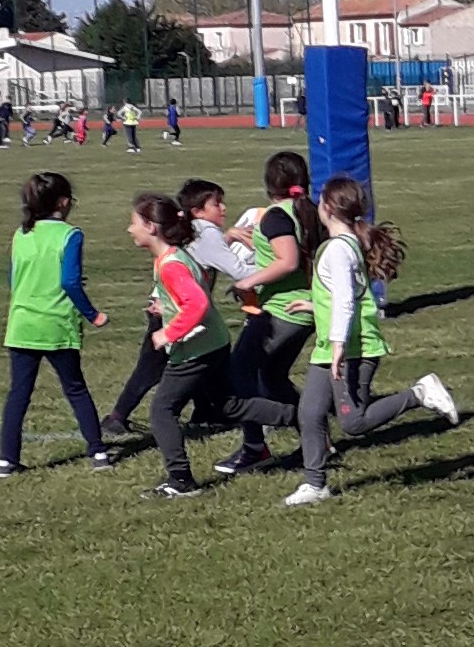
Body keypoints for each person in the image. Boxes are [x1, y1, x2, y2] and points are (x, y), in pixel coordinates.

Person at [282, 177, 459, 506]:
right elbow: (341, 293)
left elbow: (347, 300)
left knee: (353, 422)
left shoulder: (337, 248)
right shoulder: (345, 243)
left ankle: (420, 393)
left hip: (351, 348)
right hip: (333, 345)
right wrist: (314, 304)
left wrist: (338, 346)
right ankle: (315, 484)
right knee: (310, 412)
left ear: (329, 209)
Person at [123, 192, 304, 499]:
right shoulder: (173, 257)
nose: (130, 229)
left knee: (162, 411)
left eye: (134, 223)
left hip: (196, 350)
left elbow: (197, 304)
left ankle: (180, 481)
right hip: (214, 343)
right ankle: (303, 418)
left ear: (152, 227)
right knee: (230, 405)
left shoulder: (171, 264)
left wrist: (167, 333)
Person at [101, 178, 260, 437]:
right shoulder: (206, 232)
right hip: (173, 312)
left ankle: (206, 412)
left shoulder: (193, 227)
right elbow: (237, 269)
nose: (223, 208)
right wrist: (279, 267)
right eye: (216, 204)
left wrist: (227, 237)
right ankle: (117, 417)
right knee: (152, 368)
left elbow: (201, 256)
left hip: (171, 308)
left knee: (199, 361)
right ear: (197, 211)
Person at [0, 172, 113, 478]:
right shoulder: (70, 234)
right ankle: (98, 451)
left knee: (18, 394)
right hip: (56, 324)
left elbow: (13, 278)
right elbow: (70, 282)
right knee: (75, 389)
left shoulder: (21, 234)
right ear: (63, 203)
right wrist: (93, 314)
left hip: (21, 324)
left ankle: (7, 460)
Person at [214, 152, 323, 475]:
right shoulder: (309, 211)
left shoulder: (276, 216)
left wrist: (248, 280)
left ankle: (254, 448)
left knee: (238, 379)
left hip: (283, 310)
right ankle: (315, 438)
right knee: (272, 377)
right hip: (305, 307)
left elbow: (287, 260)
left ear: (269, 182)